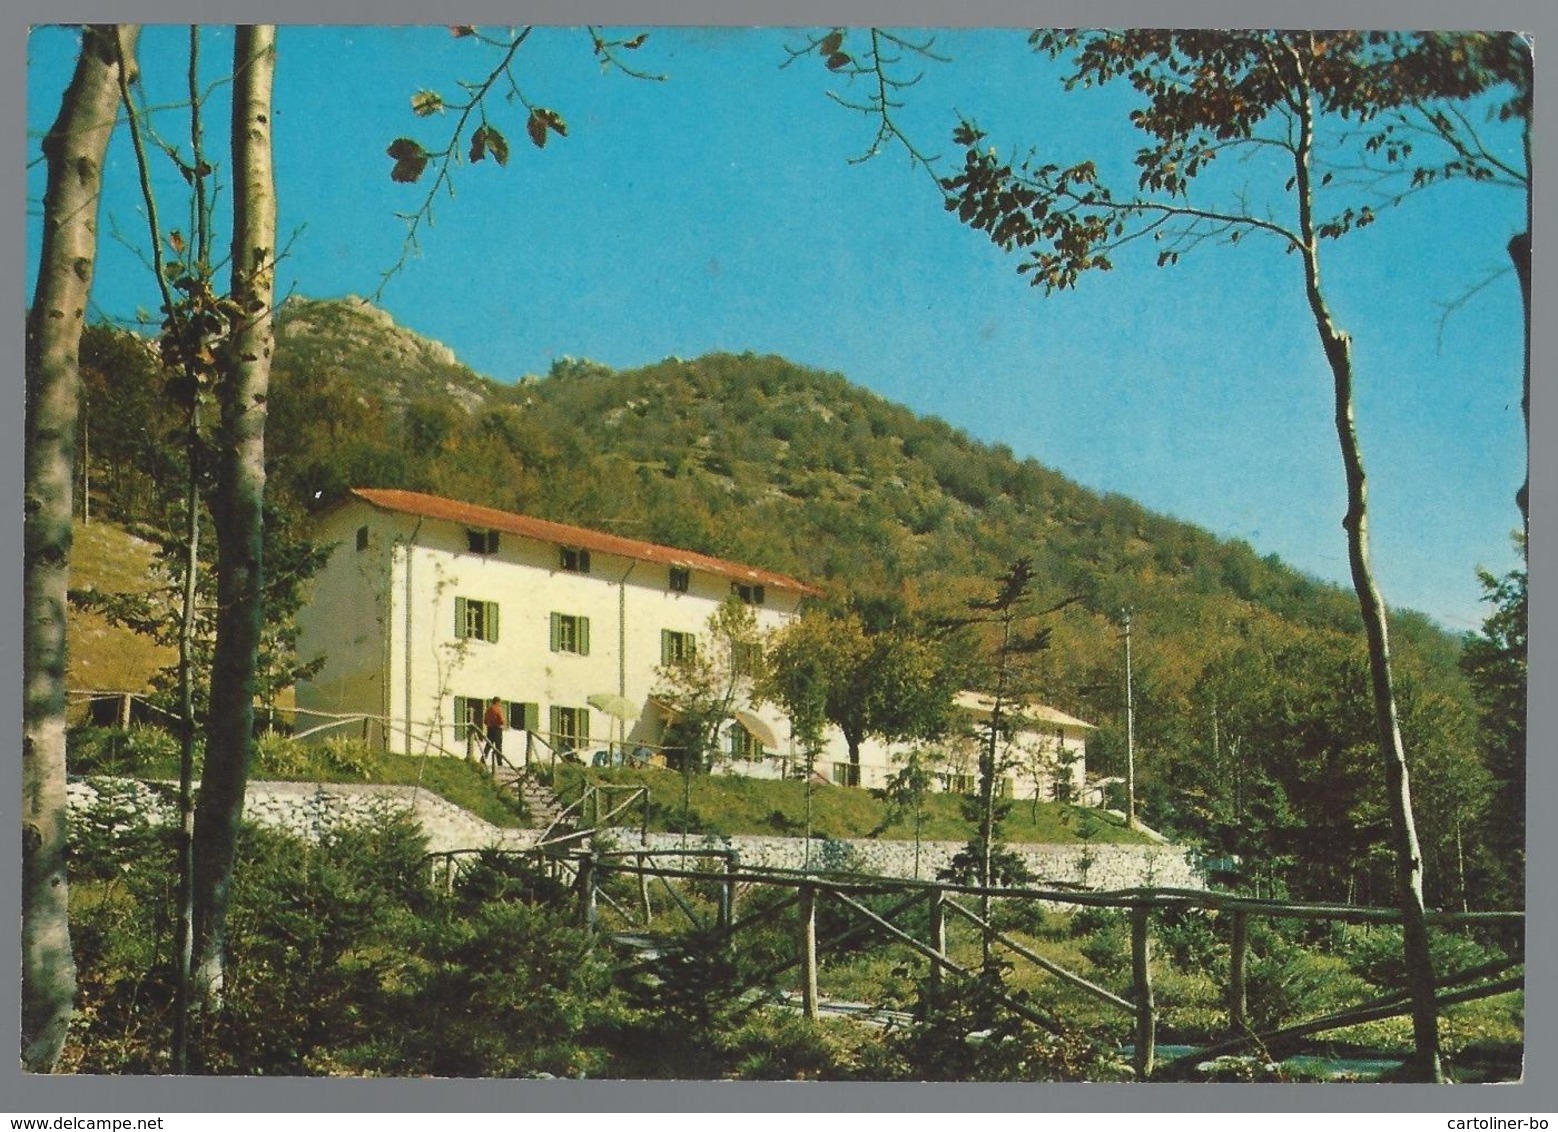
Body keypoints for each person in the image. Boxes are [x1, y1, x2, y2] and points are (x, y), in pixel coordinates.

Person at [483, 696, 505, 767]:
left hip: (490, 729)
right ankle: (499, 762)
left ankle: (483, 759)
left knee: (488, 745)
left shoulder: (489, 710)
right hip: (497, 729)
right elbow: (501, 720)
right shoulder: (498, 709)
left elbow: (485, 721)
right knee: (498, 746)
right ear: (497, 702)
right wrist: (502, 723)